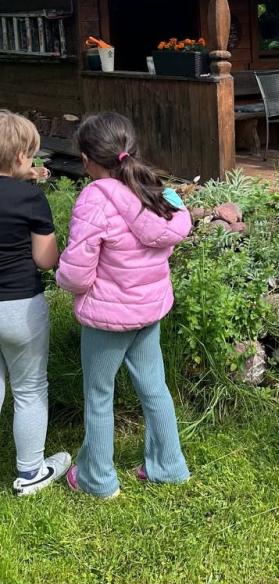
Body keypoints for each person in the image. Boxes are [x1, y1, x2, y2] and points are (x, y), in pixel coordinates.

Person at [56, 113, 192, 499]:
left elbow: (78, 272)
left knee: (99, 395)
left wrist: (62, 279)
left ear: (86, 159)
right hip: (148, 312)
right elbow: (172, 232)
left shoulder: (94, 198)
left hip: (107, 318)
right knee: (154, 387)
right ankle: (168, 466)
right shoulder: (155, 190)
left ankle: (96, 479)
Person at [0, 111, 71, 495]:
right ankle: (30, 473)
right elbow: (46, 260)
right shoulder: (30, 198)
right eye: (29, 154)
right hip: (19, 306)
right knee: (28, 388)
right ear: (18, 158)